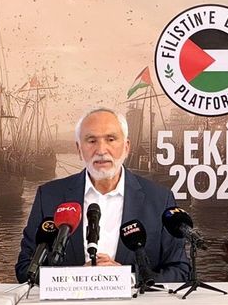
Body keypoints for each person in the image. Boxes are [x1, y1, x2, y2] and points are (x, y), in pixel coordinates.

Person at [15, 107, 189, 283]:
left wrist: (125, 279)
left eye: (111, 139)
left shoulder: (159, 199)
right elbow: (25, 269)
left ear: (126, 147)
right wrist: (75, 279)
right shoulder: (49, 196)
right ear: (79, 149)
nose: (101, 150)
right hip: (69, 301)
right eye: (91, 141)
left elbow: (180, 270)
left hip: (134, 301)